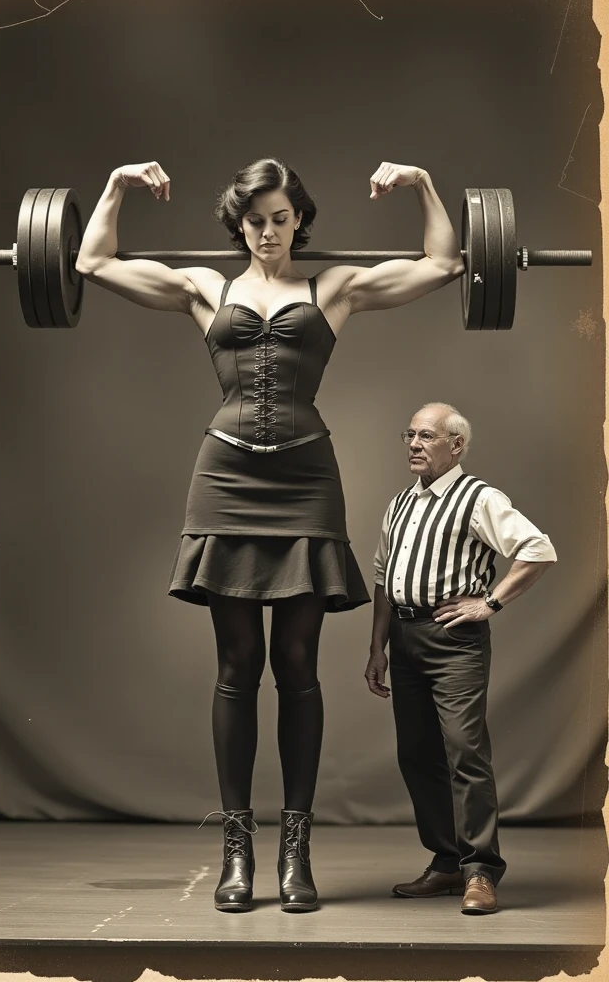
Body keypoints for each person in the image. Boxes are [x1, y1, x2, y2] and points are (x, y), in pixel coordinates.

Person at [76, 157, 464, 913]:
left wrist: (422, 184)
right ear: (238, 224)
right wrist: (118, 186)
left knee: (297, 664)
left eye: (281, 219)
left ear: (299, 221)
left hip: (305, 482)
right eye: (255, 221)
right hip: (224, 480)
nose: (268, 233)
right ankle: (236, 853)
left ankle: (295, 854)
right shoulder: (202, 288)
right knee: (236, 664)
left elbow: (444, 263)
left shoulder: (336, 288)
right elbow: (92, 262)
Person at [366, 402, 556, 915]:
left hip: (454, 642)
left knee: (464, 753)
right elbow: (384, 578)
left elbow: (538, 549)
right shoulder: (400, 503)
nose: (413, 444)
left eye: (426, 436)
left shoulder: (479, 498)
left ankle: (480, 871)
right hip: (404, 641)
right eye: (409, 434)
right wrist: (377, 647)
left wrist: (489, 603)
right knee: (416, 755)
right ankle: (447, 862)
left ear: (457, 446)